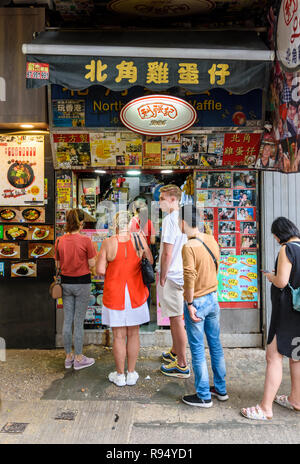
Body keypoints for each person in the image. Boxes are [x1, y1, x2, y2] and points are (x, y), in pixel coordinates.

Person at [241, 217, 300, 420]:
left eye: (275, 234)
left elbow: (282, 282)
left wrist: (270, 276)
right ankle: (296, 400)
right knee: (296, 357)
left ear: (280, 233)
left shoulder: (287, 249)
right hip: (299, 312)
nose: (275, 239)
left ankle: (265, 408)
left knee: (273, 356)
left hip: (286, 312)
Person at [96, 211, 153, 387]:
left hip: (115, 294)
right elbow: (150, 261)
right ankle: (131, 373)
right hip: (136, 293)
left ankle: (119, 376)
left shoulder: (108, 243)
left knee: (119, 336)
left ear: (115, 224)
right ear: (131, 224)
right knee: (134, 334)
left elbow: (100, 270)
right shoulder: (139, 240)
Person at [180, 205, 227, 407]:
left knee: (198, 348)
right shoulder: (210, 239)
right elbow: (217, 264)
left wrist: (190, 303)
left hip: (197, 301)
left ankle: (203, 395)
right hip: (213, 298)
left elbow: (189, 277)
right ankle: (220, 389)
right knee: (215, 345)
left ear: (183, 223)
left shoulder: (189, 246)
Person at [55, 209, 97, 370]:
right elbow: (92, 264)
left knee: (68, 320)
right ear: (81, 223)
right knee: (78, 322)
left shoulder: (59, 241)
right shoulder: (86, 241)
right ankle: (79, 358)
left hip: (65, 284)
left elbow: (57, 265)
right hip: (82, 284)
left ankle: (68, 357)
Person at [157, 184, 190, 378]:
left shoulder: (170, 219)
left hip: (172, 275)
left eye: (161, 198)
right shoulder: (186, 218)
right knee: (176, 317)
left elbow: (167, 252)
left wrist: (162, 275)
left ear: (172, 199)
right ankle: (175, 351)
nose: (159, 202)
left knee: (176, 319)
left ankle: (182, 364)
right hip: (183, 274)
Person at [129, 196, 156, 309]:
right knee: (146, 283)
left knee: (134, 283)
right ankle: (146, 311)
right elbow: (153, 241)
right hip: (146, 257)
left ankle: (135, 310)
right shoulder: (149, 222)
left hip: (132, 256)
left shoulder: (130, 222)